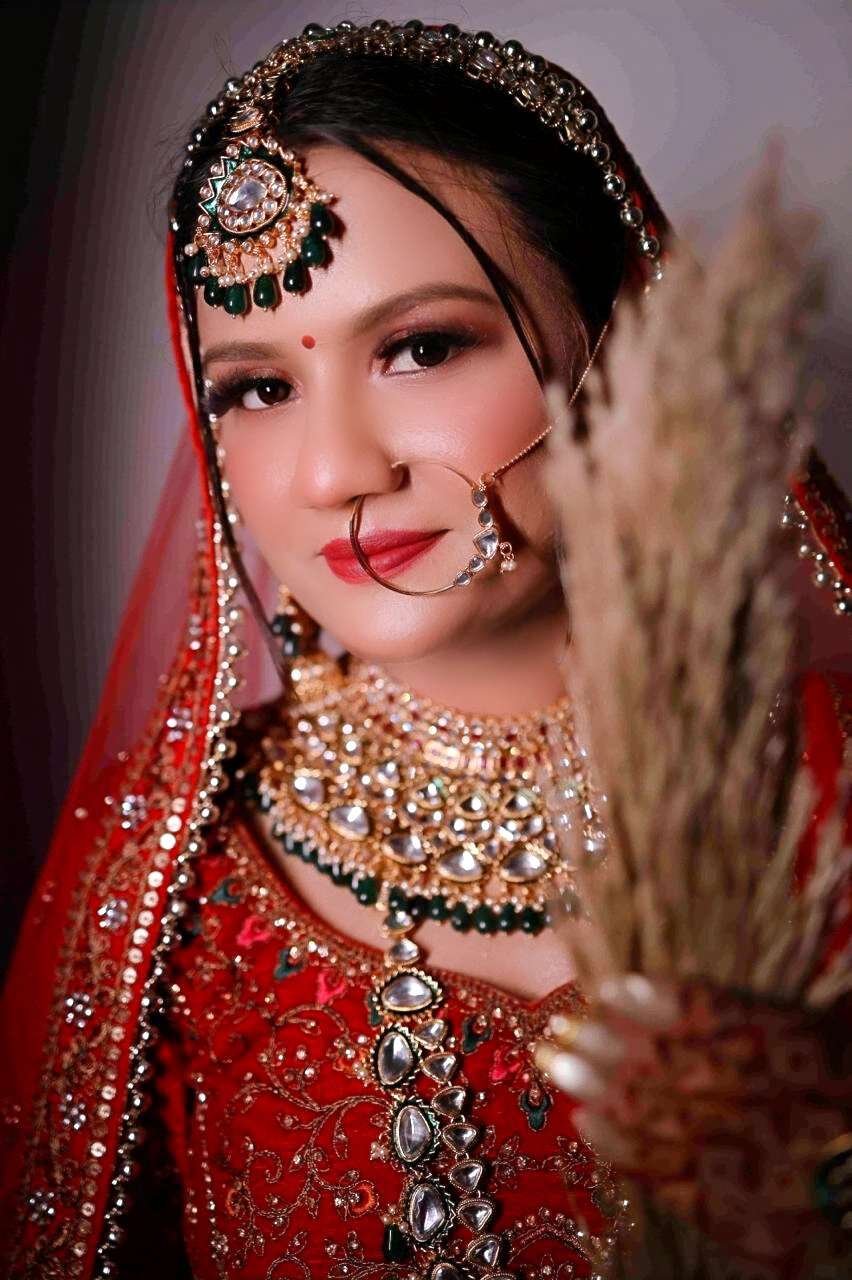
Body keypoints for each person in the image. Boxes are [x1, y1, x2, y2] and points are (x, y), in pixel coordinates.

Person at [1, 18, 850, 1280]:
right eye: (257, 388)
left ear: (622, 350)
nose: (336, 471)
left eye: (421, 347)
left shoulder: (829, 798)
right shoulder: (165, 888)